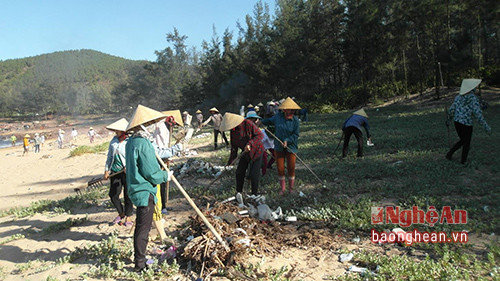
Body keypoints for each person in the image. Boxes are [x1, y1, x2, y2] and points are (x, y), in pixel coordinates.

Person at [125, 105, 173, 272]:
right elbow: (151, 172)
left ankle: (139, 260)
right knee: (143, 228)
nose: (153, 126)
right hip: (144, 190)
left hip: (135, 188)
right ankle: (140, 265)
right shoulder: (143, 143)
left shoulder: (131, 141)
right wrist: (165, 176)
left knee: (141, 226)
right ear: (143, 125)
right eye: (151, 123)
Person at [446, 78, 491, 164]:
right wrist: (486, 127)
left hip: (457, 122)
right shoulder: (473, 98)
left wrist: (448, 120)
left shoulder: (458, 97)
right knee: (466, 143)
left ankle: (449, 154)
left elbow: (451, 110)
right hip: (466, 124)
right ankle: (463, 161)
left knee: (463, 140)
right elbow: (478, 114)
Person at [261, 97, 301, 194]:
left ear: (293, 110)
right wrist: (259, 121)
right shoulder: (278, 117)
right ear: (283, 109)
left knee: (291, 168)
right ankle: (282, 189)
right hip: (278, 146)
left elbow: (296, 134)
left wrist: (287, 140)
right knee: (280, 168)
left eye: (290, 109)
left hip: (291, 147)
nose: (288, 111)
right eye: (286, 109)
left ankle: (291, 189)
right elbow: (268, 121)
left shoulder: (295, 121)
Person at [221, 113, 265, 195]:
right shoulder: (233, 131)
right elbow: (234, 148)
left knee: (254, 175)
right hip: (245, 153)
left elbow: (260, 135)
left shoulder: (248, 123)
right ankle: (239, 193)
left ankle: (254, 194)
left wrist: (250, 144)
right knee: (239, 172)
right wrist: (230, 162)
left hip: (257, 151)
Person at [104, 118, 133, 227]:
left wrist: (128, 167)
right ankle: (121, 213)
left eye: (118, 130)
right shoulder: (114, 141)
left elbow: (132, 156)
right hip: (115, 171)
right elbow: (110, 156)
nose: (116, 132)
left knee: (128, 194)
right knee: (113, 194)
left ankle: (129, 216)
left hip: (127, 171)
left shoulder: (129, 141)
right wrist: (106, 170)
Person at [246, 112, 275, 176]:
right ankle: (260, 173)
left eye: (255, 119)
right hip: (256, 146)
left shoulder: (262, 130)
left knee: (274, 154)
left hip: (263, 144)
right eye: (252, 119)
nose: (254, 121)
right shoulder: (247, 128)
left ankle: (268, 166)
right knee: (261, 159)